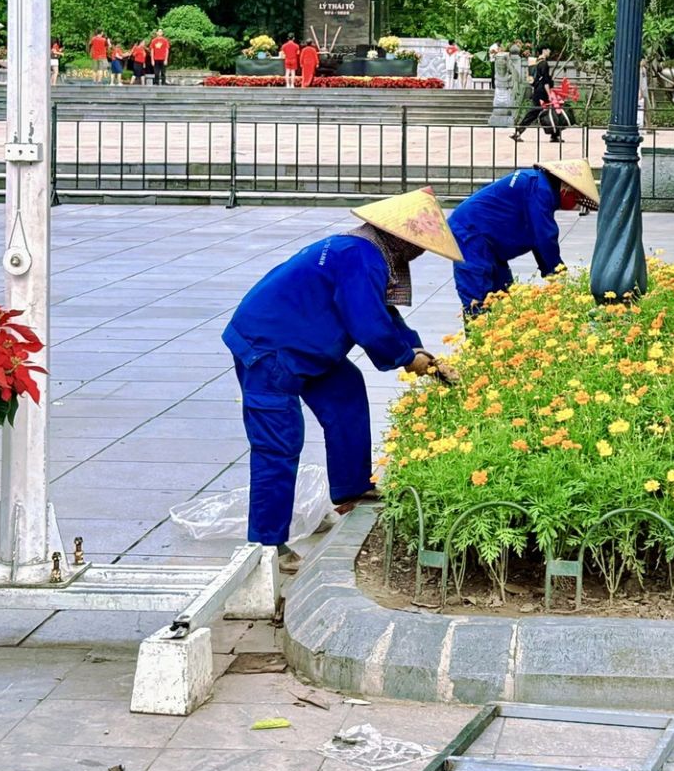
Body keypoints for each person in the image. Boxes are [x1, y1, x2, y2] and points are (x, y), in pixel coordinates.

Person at [223, 188, 461, 572]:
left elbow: (383, 313)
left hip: (306, 344)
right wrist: (406, 358)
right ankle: (267, 545)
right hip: (269, 348)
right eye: (419, 245)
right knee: (278, 443)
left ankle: (352, 486)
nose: (421, 253)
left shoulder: (366, 249)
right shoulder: (361, 256)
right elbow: (367, 324)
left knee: (346, 392)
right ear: (400, 237)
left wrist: (419, 351)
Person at [448, 159, 599, 322]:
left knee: (502, 293)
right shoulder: (539, 188)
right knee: (476, 295)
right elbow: (544, 237)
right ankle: (476, 343)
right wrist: (557, 276)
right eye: (576, 199)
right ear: (566, 189)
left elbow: (537, 236)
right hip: (470, 232)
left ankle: (497, 341)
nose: (575, 205)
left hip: (487, 237)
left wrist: (552, 273)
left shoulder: (537, 183)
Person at [511, 47, 557, 143]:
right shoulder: (544, 64)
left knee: (547, 111)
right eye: (548, 50)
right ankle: (518, 132)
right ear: (544, 50)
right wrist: (549, 94)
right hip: (542, 92)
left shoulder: (535, 63)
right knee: (536, 112)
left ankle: (554, 135)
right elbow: (545, 81)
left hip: (537, 90)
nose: (550, 51)